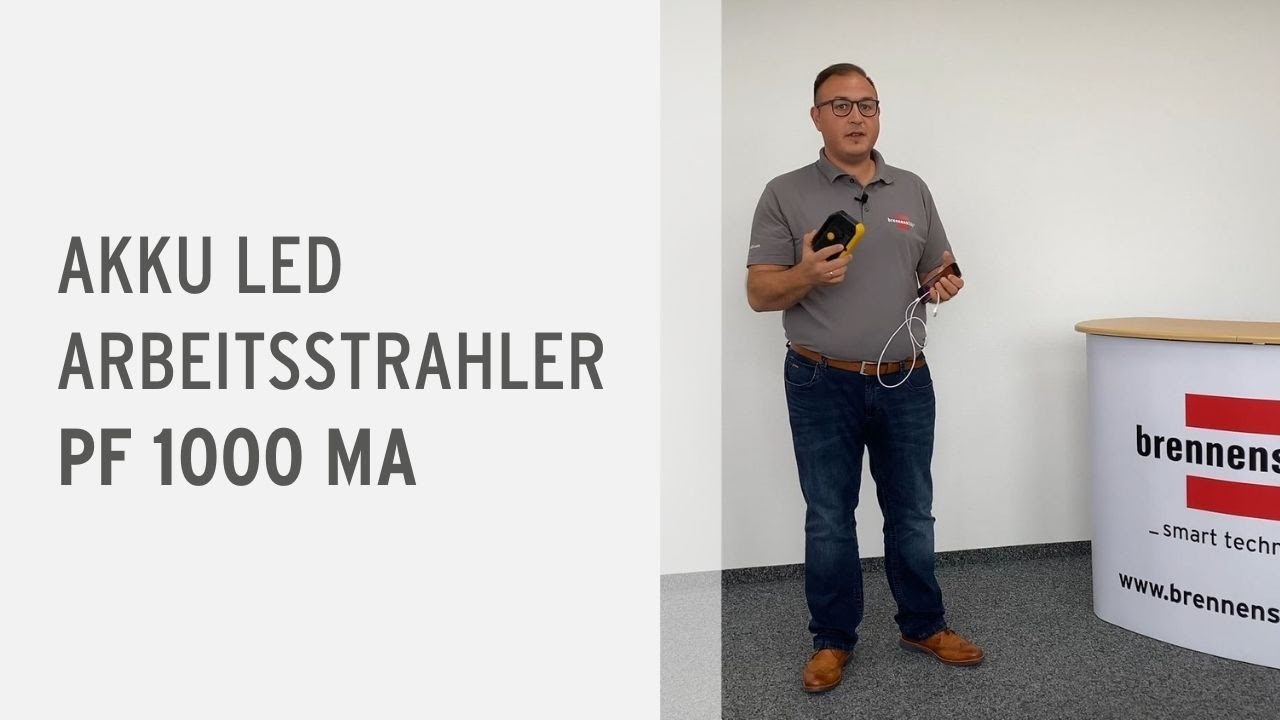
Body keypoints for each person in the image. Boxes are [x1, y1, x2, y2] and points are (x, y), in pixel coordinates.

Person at [745, 62, 983, 694]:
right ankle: (832, 639)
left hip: (906, 379)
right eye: (841, 105)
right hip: (820, 380)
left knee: (912, 512)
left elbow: (937, 266)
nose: (856, 117)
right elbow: (759, 294)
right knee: (829, 515)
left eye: (867, 105)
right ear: (816, 116)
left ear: (879, 114)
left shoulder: (912, 188)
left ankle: (923, 624)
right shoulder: (784, 193)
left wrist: (944, 281)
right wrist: (805, 274)